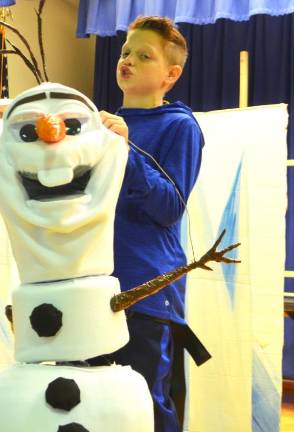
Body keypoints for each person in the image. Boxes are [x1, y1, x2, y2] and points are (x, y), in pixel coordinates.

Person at [89, 16, 208, 432]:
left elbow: (169, 206)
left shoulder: (180, 126)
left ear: (170, 75)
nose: (128, 60)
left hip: (147, 290)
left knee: (145, 404)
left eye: (144, 55)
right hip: (92, 286)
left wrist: (126, 149)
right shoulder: (98, 127)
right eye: (125, 52)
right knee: (94, 403)